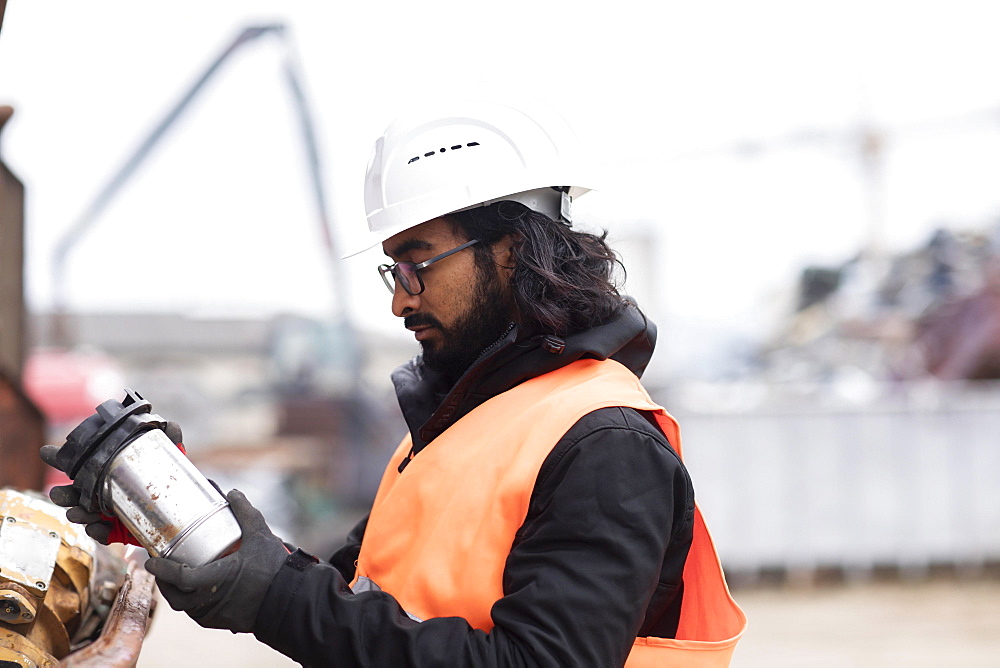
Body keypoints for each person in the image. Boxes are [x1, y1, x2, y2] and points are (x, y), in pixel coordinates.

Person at [44, 99, 745, 666]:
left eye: (416, 264)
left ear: (511, 247)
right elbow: (347, 604)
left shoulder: (605, 444)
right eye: (392, 271)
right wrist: (170, 517)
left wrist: (271, 597)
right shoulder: (462, 431)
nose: (399, 301)